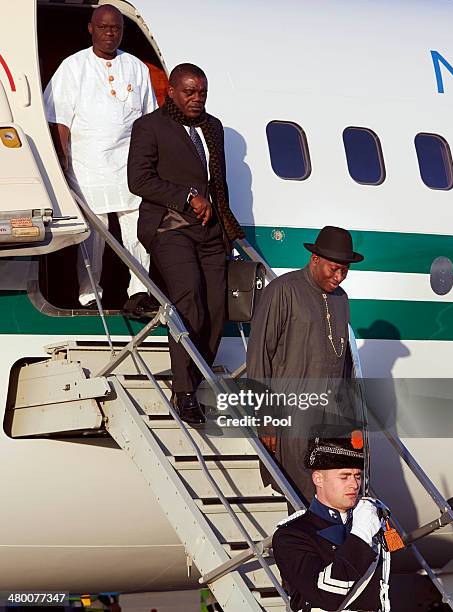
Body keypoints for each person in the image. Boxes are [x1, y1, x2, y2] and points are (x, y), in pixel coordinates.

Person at [127, 63, 244, 424]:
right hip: (169, 226)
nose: (197, 99)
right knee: (189, 298)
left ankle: (199, 377)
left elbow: (219, 184)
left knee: (216, 309)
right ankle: (184, 391)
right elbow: (139, 180)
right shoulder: (150, 127)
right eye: (190, 92)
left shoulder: (212, 127)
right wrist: (187, 196)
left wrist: (230, 230)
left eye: (202, 93)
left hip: (210, 232)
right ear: (172, 92)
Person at [44, 4, 157, 315]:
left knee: (136, 229)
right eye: (104, 27)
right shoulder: (74, 66)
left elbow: (150, 121)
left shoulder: (137, 68)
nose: (110, 33)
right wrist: (63, 163)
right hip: (86, 166)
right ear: (91, 29)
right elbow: (59, 120)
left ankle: (140, 292)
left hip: (128, 166)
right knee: (94, 233)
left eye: (116, 28)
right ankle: (89, 294)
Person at [247, 226, 364, 503]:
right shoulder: (283, 290)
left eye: (344, 271)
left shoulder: (341, 299)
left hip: (332, 416)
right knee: (300, 496)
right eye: (334, 269)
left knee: (333, 496)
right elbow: (258, 356)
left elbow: (343, 362)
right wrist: (266, 419)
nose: (339, 277)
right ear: (315, 260)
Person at [272, 427, 391, 612]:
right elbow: (325, 595)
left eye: (357, 476)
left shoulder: (368, 519)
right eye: (344, 476)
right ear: (318, 479)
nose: (354, 484)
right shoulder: (292, 535)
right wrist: (360, 535)